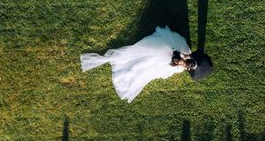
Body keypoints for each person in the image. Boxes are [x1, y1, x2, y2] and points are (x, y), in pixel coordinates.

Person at [80, 26, 212, 103]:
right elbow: (162, 73)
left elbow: (179, 51)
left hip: (165, 47)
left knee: (143, 58)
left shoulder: (186, 50)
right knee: (143, 67)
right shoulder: (177, 68)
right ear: (188, 68)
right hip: (165, 56)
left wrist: (183, 55)